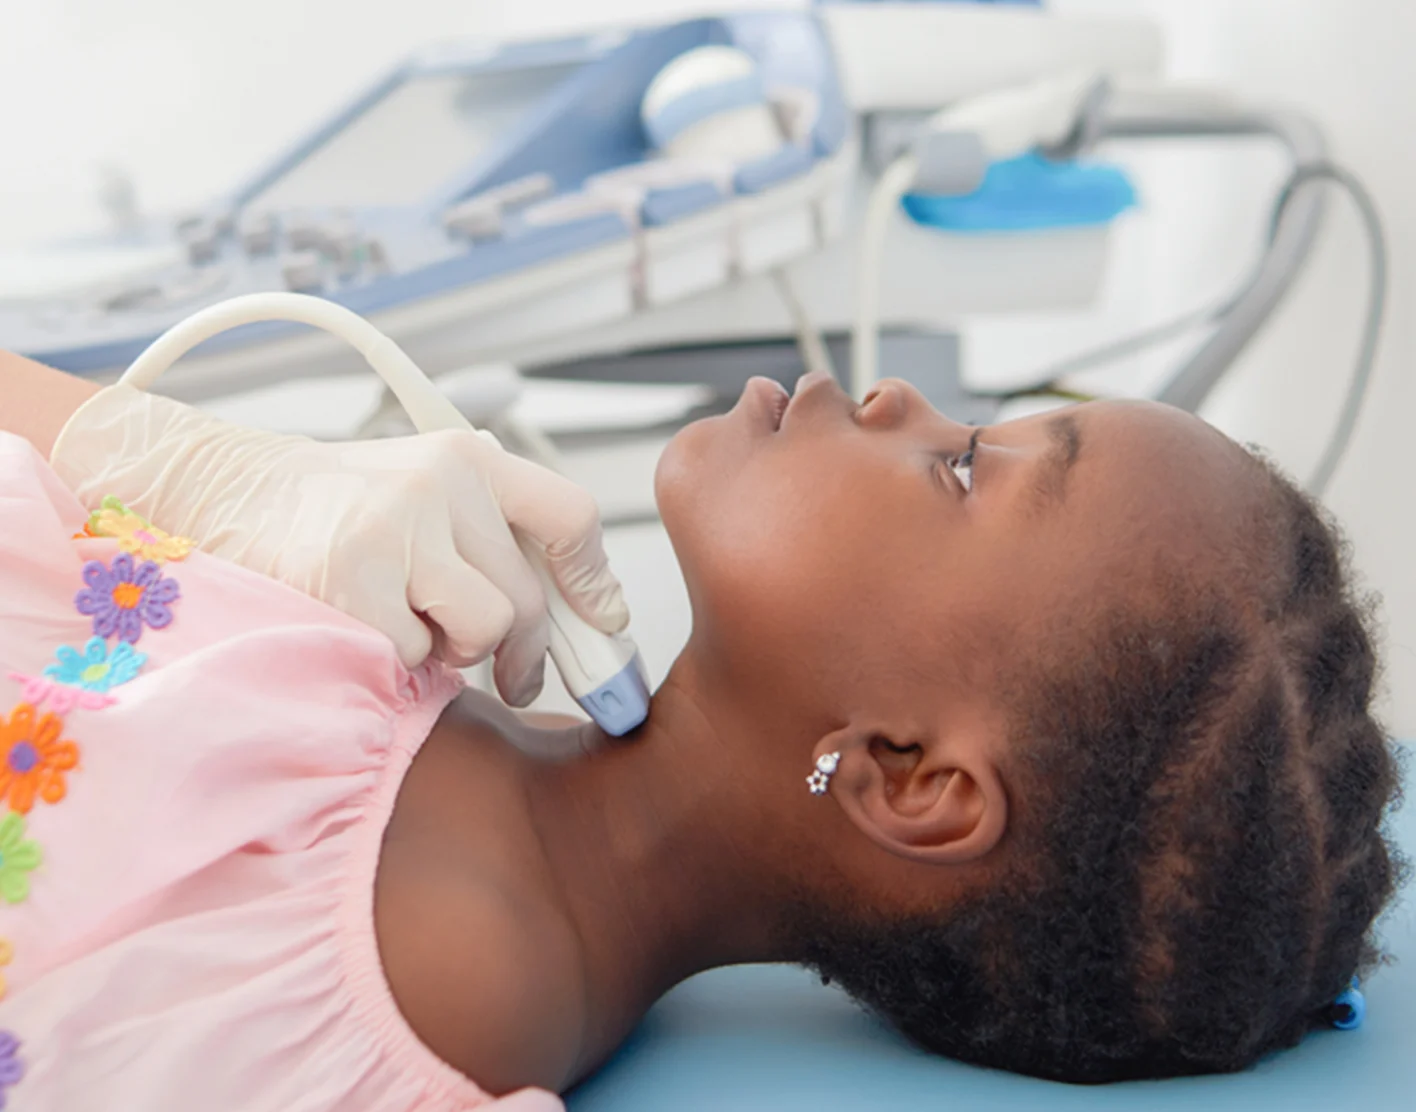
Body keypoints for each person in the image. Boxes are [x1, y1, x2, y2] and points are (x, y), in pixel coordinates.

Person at [0, 358, 1402, 1110]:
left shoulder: (375, 1007)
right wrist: (151, 449)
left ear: (907, 778)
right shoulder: (386, 643)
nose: (897, 397)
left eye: (966, 466)